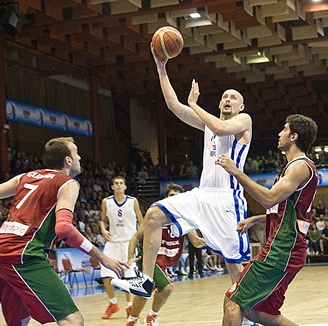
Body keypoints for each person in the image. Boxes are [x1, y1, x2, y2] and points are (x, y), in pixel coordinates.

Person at [111, 46, 253, 298]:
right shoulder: (209, 124)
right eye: (225, 96)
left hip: (227, 198)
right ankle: (145, 281)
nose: (228, 99)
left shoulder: (244, 122)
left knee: (233, 265)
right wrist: (161, 67)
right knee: (153, 215)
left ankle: (252, 311)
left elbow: (220, 127)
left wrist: (194, 104)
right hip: (202, 194)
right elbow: (173, 105)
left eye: (233, 97)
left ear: (241, 106)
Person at [0, 137, 129, 326]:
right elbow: (63, 228)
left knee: (19, 320)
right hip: (23, 255)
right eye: (76, 153)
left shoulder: (26, 177)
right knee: (72, 320)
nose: (79, 158)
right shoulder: (67, 183)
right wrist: (103, 258)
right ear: (68, 160)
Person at [215, 114, 318, 325]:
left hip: (281, 251)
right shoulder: (293, 169)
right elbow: (284, 211)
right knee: (256, 312)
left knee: (233, 300)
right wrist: (257, 219)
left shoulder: (300, 166)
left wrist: (236, 171)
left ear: (294, 136)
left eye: (284, 129)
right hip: (286, 250)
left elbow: (269, 198)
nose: (279, 133)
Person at [125, 183, 205, 326]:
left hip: (164, 261)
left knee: (146, 291)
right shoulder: (156, 215)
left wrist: (209, 240)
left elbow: (195, 241)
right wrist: (130, 257)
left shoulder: (184, 219)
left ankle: (133, 318)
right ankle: (148, 317)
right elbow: (136, 237)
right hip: (149, 259)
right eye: (171, 196)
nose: (174, 199)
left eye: (177, 197)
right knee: (166, 287)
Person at [99, 176, 144, 319]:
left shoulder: (132, 201)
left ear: (125, 186)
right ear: (112, 187)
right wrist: (103, 230)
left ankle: (129, 306)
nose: (118, 186)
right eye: (116, 184)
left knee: (128, 277)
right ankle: (113, 303)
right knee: (105, 275)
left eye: (121, 183)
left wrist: (139, 238)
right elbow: (102, 220)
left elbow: (141, 221)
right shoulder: (106, 202)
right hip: (112, 243)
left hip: (128, 243)